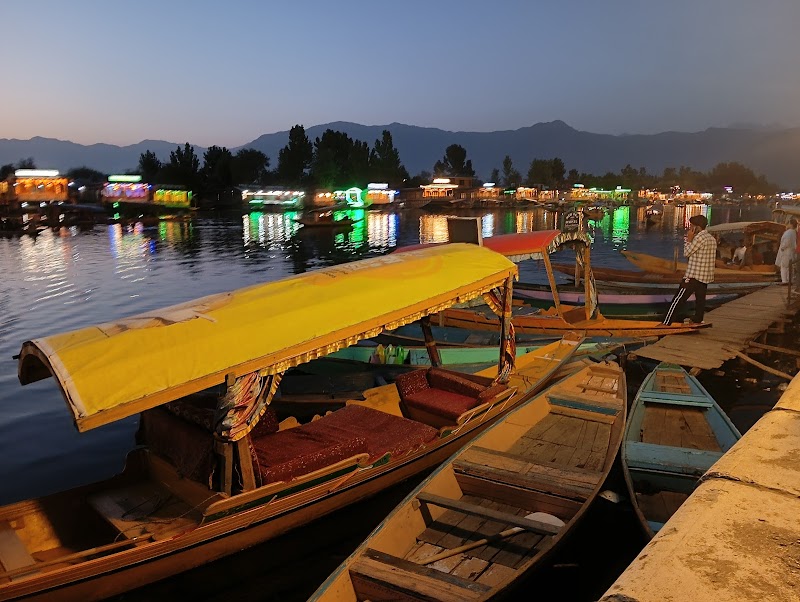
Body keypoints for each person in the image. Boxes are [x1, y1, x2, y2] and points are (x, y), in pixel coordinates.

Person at [662, 214, 717, 325]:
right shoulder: (711, 239)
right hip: (705, 276)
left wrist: (688, 239)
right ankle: (698, 319)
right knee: (700, 300)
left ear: (696, 227)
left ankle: (666, 323)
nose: (690, 228)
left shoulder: (699, 238)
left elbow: (687, 253)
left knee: (678, 300)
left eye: (691, 225)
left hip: (693, 276)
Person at [775, 218, 798, 284]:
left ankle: (784, 281)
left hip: (786, 252)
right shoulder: (794, 232)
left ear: (790, 224)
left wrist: (782, 247)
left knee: (784, 267)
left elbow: (786, 242)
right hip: (792, 252)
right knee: (790, 268)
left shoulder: (788, 232)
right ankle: (789, 281)